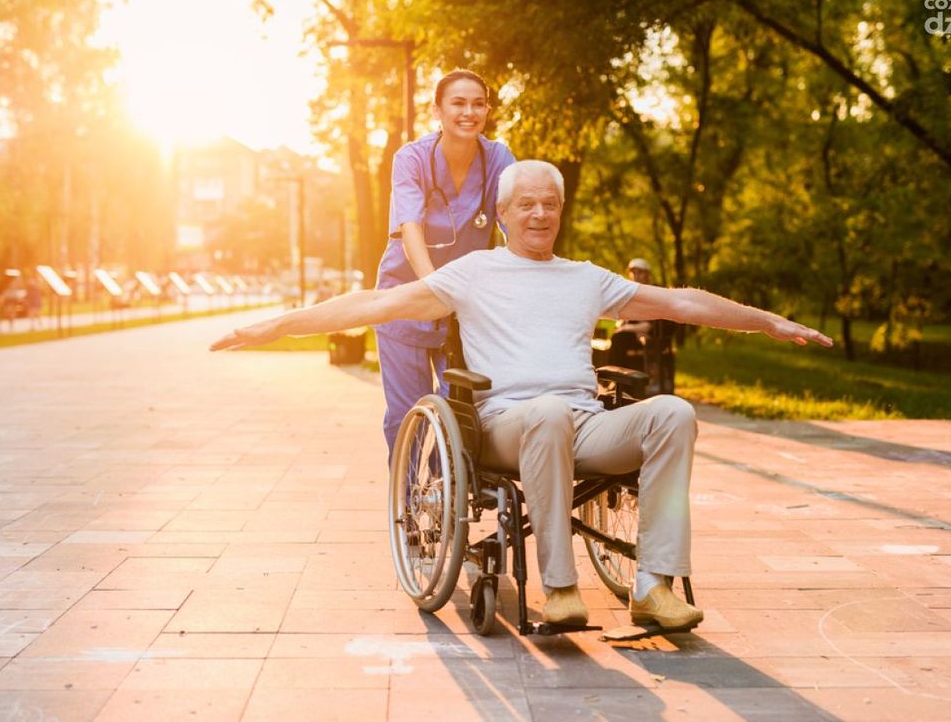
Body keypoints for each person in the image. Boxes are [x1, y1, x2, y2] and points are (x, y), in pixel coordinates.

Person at [211, 160, 832, 629]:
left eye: (550, 204)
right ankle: (560, 589)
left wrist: (768, 322)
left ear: (561, 211)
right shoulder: (472, 274)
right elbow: (373, 304)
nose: (540, 214)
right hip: (507, 424)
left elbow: (680, 302)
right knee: (547, 413)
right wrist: (273, 326)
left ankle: (654, 585)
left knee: (672, 412)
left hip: (583, 422)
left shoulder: (586, 279)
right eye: (527, 204)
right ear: (503, 214)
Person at [374, 69, 515, 458]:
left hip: (464, 302)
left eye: (478, 104)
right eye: (458, 103)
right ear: (437, 110)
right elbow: (410, 226)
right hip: (406, 295)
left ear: (487, 110)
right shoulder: (412, 159)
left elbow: (514, 222)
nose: (469, 112)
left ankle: (443, 487)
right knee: (406, 414)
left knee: (460, 410)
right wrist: (433, 287)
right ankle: (407, 492)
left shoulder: (498, 158)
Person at [615, 257, 676, 394]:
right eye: (633, 272)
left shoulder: (654, 292)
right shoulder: (631, 294)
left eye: (640, 272)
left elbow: (648, 326)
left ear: (647, 274)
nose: (636, 276)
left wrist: (625, 328)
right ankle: (620, 383)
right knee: (617, 339)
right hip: (636, 337)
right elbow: (625, 319)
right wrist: (626, 327)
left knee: (619, 338)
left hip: (653, 338)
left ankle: (618, 381)